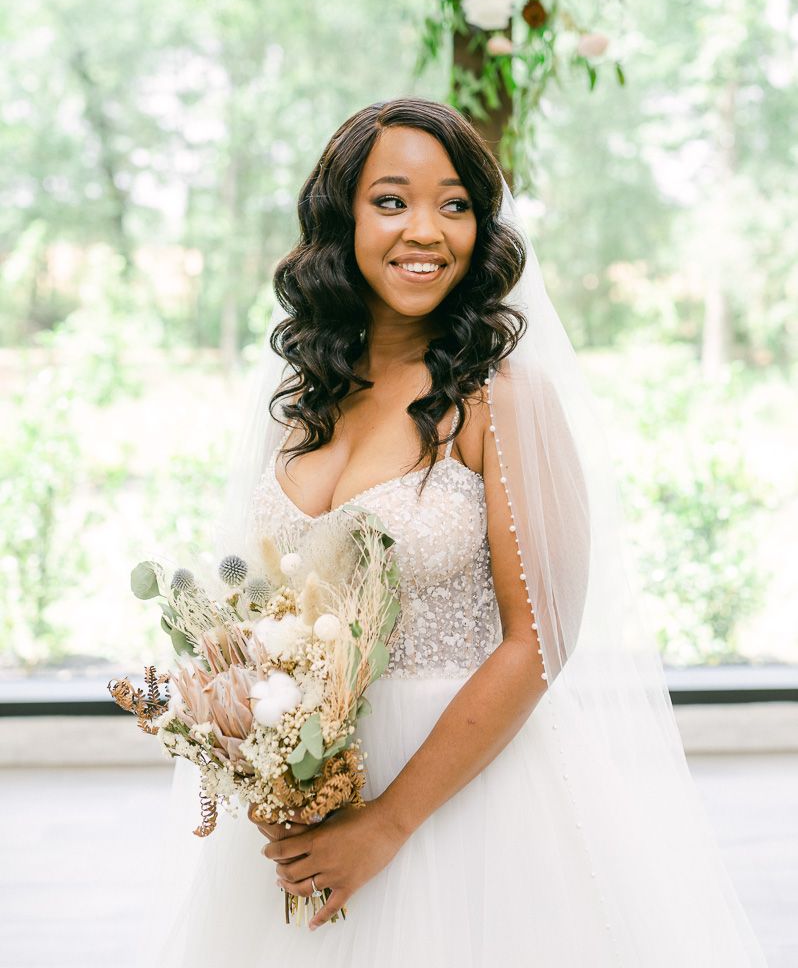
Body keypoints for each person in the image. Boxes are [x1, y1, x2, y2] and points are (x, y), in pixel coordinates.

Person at [143, 98, 767, 966]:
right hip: (310, 789)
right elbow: (265, 604)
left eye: (455, 204)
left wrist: (386, 824)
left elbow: (542, 636)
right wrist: (252, 731)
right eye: (391, 200)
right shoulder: (302, 396)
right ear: (342, 218)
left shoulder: (501, 399)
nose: (425, 230)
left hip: (468, 800)